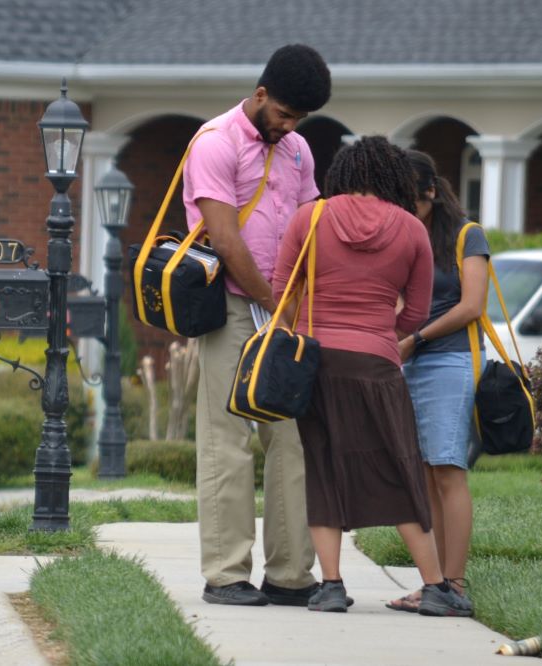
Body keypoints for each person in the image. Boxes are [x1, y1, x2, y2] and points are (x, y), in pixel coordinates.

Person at [271, 136, 473, 616]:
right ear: (393, 179)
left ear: (342, 172)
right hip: (378, 363)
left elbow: (283, 292)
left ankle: (332, 585)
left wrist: (304, 329)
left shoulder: (310, 217)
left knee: (321, 469)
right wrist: (382, 332)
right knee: (399, 469)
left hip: (316, 361)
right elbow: (418, 311)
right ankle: (438, 586)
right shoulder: (410, 229)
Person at [183, 44, 332, 606]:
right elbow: (223, 237)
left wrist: (300, 304)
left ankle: (291, 574)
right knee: (228, 439)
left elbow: (309, 226)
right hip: (227, 305)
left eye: (299, 120)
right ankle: (226, 574)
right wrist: (276, 302)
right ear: (261, 94)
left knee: (291, 437)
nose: (290, 127)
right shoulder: (215, 143)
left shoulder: (296, 152)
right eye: (285, 115)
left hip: (283, 309)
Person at [388, 149, 490, 614]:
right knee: (424, 475)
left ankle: (456, 584)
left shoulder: (468, 235)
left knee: (448, 470)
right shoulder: (404, 236)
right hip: (407, 357)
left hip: (448, 360)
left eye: (409, 200)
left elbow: (472, 305)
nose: (402, 209)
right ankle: (436, 584)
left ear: (431, 191)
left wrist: (416, 339)